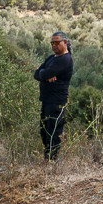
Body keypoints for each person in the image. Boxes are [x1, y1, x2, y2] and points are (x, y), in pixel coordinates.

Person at [34, 31, 73, 161]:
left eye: (57, 42)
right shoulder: (52, 58)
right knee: (44, 131)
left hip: (56, 102)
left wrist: (44, 74)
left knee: (53, 133)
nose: (54, 45)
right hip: (46, 101)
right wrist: (44, 75)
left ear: (65, 42)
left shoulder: (65, 59)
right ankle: (47, 160)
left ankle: (52, 161)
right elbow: (36, 74)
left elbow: (43, 73)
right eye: (52, 43)